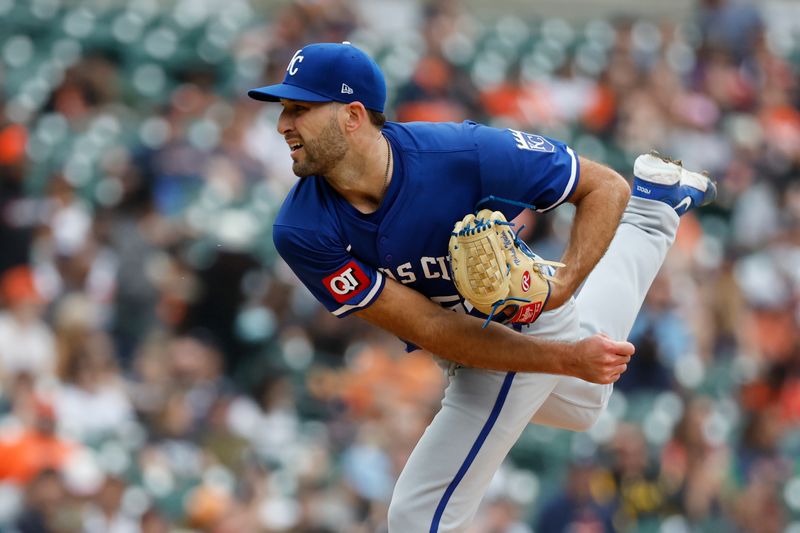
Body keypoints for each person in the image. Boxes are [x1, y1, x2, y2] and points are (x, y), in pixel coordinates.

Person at [247, 42, 716, 532]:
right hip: (460, 339)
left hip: (522, 319)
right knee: (583, 406)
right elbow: (431, 326)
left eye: (299, 109)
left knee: (417, 516)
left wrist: (561, 289)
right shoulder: (302, 229)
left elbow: (603, 187)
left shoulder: (460, 153)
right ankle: (655, 209)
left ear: (353, 115)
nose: (283, 124)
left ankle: (640, 225)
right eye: (283, 110)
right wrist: (569, 358)